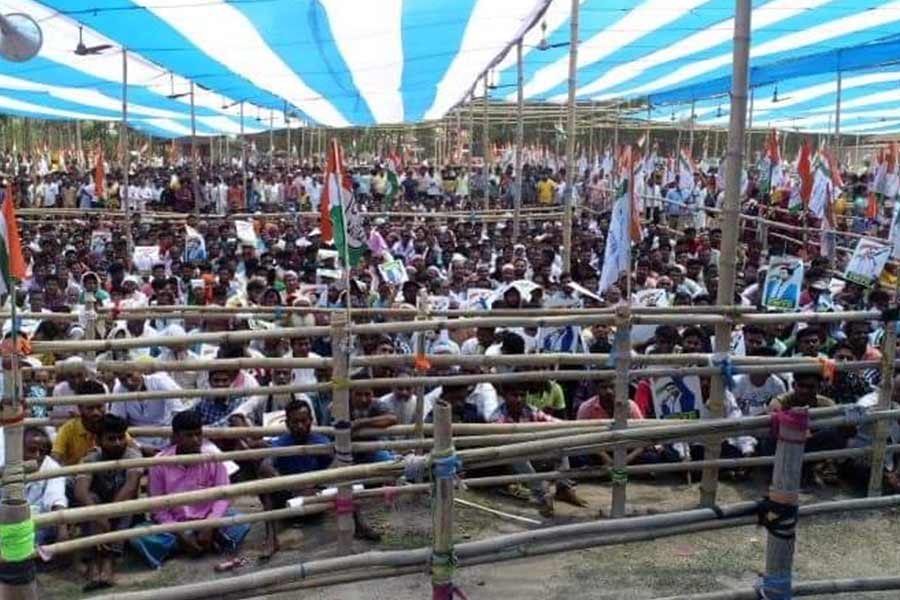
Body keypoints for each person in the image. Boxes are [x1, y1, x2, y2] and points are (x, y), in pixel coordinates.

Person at [131, 410, 250, 568]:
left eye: (198, 434)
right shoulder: (159, 463)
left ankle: (197, 543)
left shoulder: (212, 457)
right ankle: (193, 545)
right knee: (138, 535)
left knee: (240, 522)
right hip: (175, 525)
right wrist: (181, 534)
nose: (195, 440)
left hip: (208, 520)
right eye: (189, 435)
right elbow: (157, 509)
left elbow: (223, 496)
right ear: (176, 437)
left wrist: (209, 525)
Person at [74, 415, 142, 592]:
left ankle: (108, 561)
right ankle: (95, 560)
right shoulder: (90, 459)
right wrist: (98, 514)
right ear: (98, 440)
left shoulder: (133, 455)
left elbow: (130, 487)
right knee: (90, 500)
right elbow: (80, 492)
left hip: (119, 510)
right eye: (111, 438)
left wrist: (106, 515)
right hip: (98, 512)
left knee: (128, 503)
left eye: (121, 437)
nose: (118, 442)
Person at [23, 427, 68, 545]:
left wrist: (62, 530)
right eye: (31, 450)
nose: (37, 456)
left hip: (38, 527)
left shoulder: (52, 468)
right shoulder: (7, 463)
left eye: (42, 451)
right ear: (19, 449)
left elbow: (56, 498)